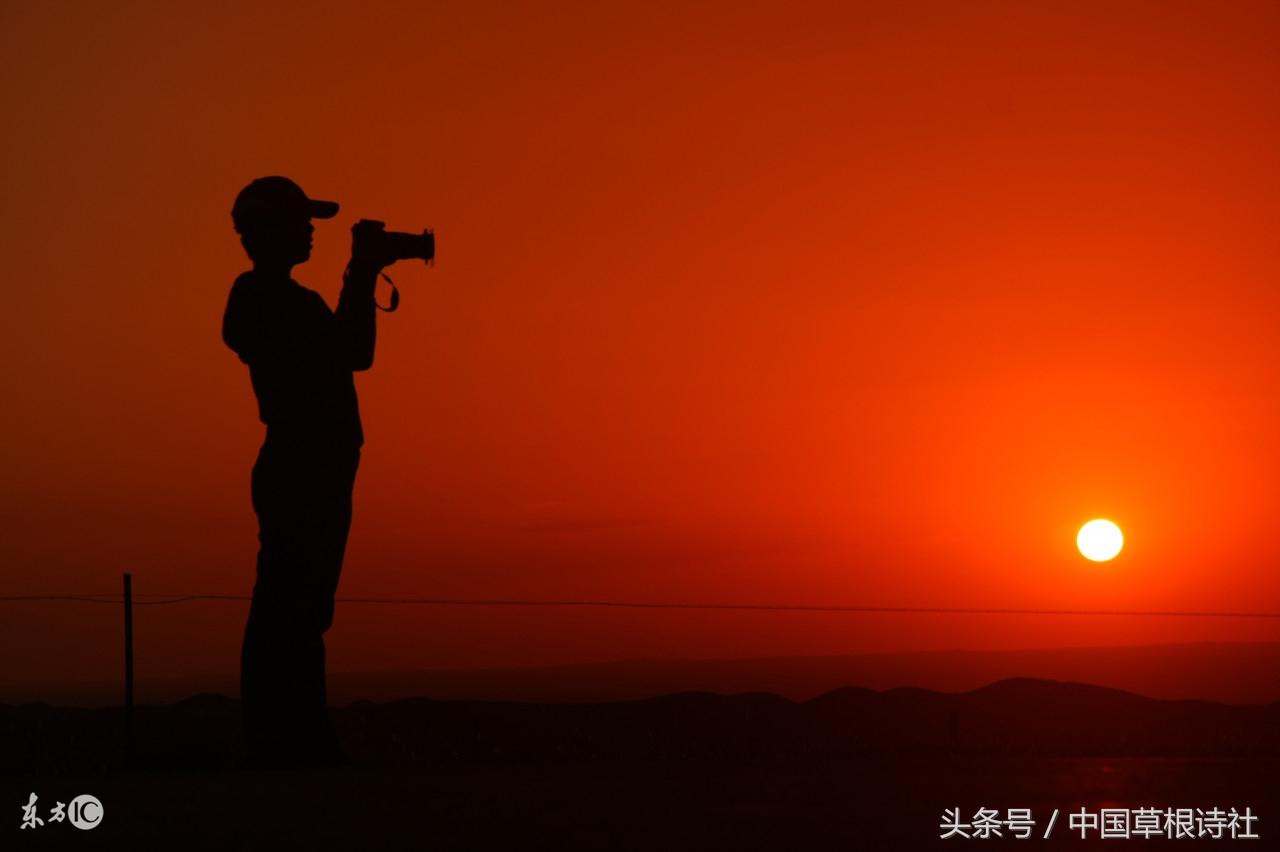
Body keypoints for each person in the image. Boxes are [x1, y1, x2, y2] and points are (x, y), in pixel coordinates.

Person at [222, 176, 388, 767]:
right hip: (300, 464)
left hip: (315, 464)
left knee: (304, 605)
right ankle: (283, 745)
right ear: (268, 232)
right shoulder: (259, 299)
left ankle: (295, 741)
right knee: (288, 606)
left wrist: (362, 275)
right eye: (300, 222)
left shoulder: (292, 301)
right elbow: (343, 352)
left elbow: (357, 353)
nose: (310, 232)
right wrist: (361, 272)